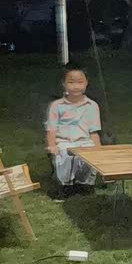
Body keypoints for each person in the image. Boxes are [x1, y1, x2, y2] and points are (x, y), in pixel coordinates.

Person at [45, 67, 101, 200]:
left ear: (86, 83)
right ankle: (65, 186)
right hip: (64, 141)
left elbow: (93, 131)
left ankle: (84, 184)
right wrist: (51, 145)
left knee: (91, 155)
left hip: (84, 141)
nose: (76, 86)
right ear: (64, 84)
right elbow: (51, 129)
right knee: (65, 155)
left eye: (80, 82)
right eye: (71, 82)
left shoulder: (92, 105)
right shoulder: (57, 105)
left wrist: (99, 148)